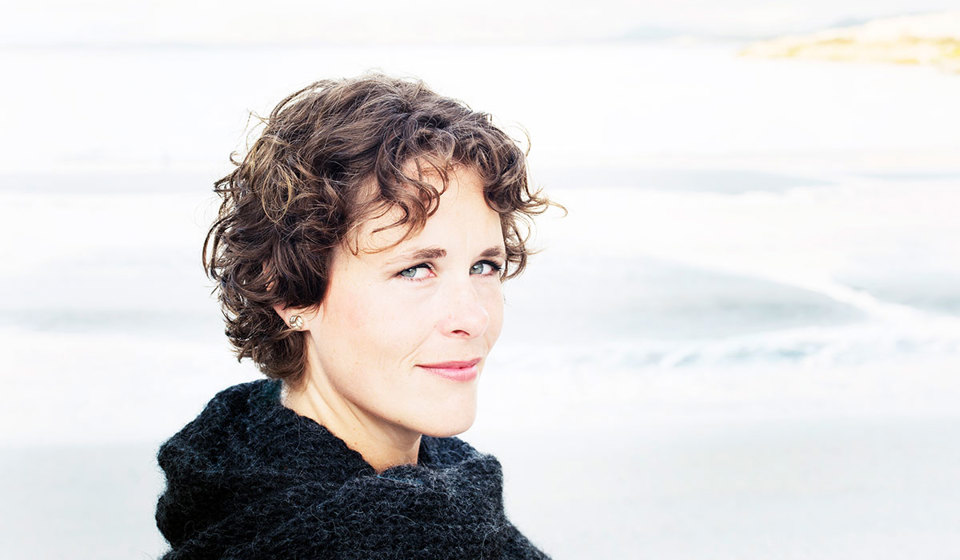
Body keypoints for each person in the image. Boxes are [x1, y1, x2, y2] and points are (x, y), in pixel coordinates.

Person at [154, 74, 557, 559]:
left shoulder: (238, 470)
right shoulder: (377, 543)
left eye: (484, 266)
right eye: (415, 270)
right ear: (289, 293)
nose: (471, 317)